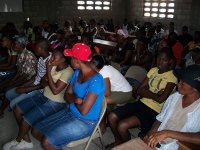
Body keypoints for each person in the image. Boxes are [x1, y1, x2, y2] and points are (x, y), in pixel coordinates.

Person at [30, 43, 105, 150]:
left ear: (77, 60)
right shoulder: (77, 72)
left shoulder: (96, 80)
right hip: (70, 112)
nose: (69, 60)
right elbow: (67, 95)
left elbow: (84, 111)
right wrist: (76, 100)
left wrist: (73, 99)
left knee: (47, 141)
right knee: (36, 130)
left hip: (85, 121)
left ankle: (54, 143)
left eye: (70, 58)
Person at [107, 48, 177, 148]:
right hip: (141, 103)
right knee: (112, 116)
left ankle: (127, 147)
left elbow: (161, 99)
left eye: (164, 59)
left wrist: (146, 91)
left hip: (154, 110)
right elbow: (139, 90)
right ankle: (118, 141)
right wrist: (152, 93)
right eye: (158, 58)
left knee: (122, 126)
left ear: (169, 61)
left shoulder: (172, 77)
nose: (160, 62)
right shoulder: (153, 70)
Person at [3, 50, 73, 150]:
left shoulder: (68, 72)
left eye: (54, 57)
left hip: (55, 103)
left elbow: (55, 91)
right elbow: (43, 82)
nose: (51, 59)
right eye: (52, 56)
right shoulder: (53, 65)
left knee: (25, 119)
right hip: (43, 96)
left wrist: (48, 74)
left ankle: (18, 140)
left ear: (63, 60)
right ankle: (26, 140)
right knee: (17, 109)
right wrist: (51, 82)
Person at [117, 65, 200, 150]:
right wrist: (152, 131)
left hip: (174, 147)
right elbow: (160, 118)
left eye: (182, 83)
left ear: (195, 89)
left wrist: (168, 133)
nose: (178, 84)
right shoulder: (175, 97)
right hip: (156, 141)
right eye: (180, 81)